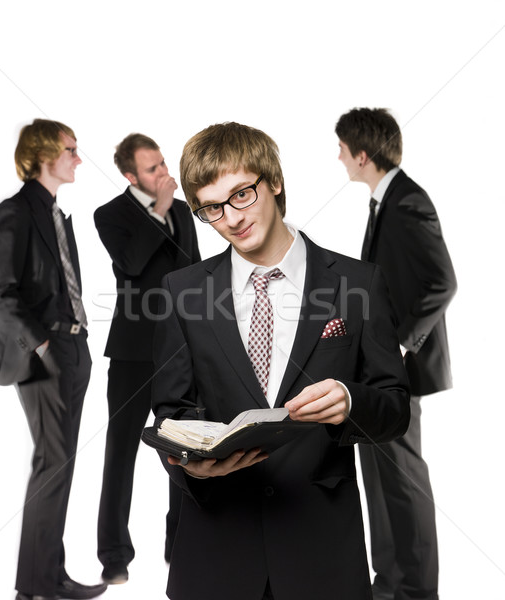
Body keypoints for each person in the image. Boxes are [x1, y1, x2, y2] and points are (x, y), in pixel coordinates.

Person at [150, 121, 411, 600]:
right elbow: (171, 413)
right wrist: (193, 465)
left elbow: (395, 408)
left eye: (242, 194)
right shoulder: (181, 291)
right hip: (216, 555)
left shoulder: (358, 282)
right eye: (212, 207)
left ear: (273, 180)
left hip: (322, 555)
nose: (230, 217)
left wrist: (351, 400)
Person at [335, 107, 457, 600]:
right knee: (381, 479)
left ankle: (418, 591)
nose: (338, 156)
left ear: (362, 155)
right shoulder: (384, 202)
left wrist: (403, 343)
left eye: (342, 148)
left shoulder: (407, 203)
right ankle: (387, 585)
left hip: (399, 371)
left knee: (405, 484)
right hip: (376, 371)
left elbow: (442, 282)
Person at [0, 119, 107, 600]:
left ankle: (48, 578)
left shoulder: (56, 214)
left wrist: (74, 344)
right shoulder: (14, 213)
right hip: (42, 355)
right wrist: (43, 344)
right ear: (42, 155)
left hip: (74, 347)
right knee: (51, 463)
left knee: (61, 464)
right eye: (71, 150)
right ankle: (33, 589)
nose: (79, 158)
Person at [93, 133, 201, 584]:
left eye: (162, 163)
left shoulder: (180, 211)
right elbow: (132, 264)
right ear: (130, 175)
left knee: (185, 446)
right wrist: (157, 208)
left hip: (180, 348)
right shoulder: (111, 214)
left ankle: (180, 544)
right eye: (152, 168)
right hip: (133, 353)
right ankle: (114, 555)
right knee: (121, 452)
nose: (163, 173)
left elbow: (194, 269)